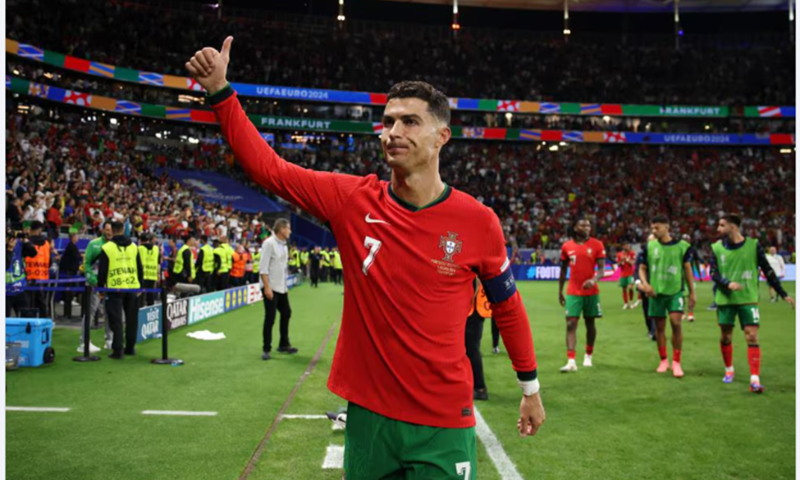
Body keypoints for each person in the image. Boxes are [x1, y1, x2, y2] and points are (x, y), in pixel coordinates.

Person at [187, 40, 543, 478]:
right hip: (369, 417)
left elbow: (507, 305)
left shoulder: (478, 221)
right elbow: (270, 169)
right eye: (388, 121)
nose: (393, 131)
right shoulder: (352, 200)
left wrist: (530, 387)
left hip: (443, 420)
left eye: (410, 121)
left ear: (441, 137)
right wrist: (220, 91)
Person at [709, 214, 795, 393]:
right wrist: (727, 283)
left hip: (748, 299)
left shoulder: (753, 245)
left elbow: (767, 270)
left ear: (733, 227)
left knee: (752, 335)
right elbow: (713, 273)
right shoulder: (716, 247)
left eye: (722, 225)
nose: (718, 229)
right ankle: (729, 369)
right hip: (725, 300)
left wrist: (782, 293)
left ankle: (755, 379)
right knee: (726, 336)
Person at [638, 216, 696, 378]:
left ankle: (676, 362)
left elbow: (687, 270)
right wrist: (645, 284)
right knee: (659, 328)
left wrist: (692, 293)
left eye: (657, 228)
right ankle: (663, 360)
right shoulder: (650, 246)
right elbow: (642, 268)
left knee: (676, 323)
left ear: (667, 228)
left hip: (675, 292)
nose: (653, 231)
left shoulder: (682, 246)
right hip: (655, 293)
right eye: (652, 228)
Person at [558, 217, 606, 372]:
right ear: (575, 227)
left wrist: (594, 280)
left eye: (588, 225)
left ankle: (588, 355)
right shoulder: (567, 246)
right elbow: (563, 270)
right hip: (573, 291)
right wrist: (560, 291)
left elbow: (602, 270)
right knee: (570, 324)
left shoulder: (597, 245)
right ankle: (571, 361)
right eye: (583, 225)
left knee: (590, 323)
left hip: (591, 292)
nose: (587, 228)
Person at [97, 221, 143, 359]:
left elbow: (102, 270)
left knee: (116, 320)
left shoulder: (107, 247)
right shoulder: (134, 247)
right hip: (132, 286)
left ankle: (118, 349)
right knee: (132, 319)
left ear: (112, 230)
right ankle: (130, 348)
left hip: (114, 288)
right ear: (123, 230)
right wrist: (140, 285)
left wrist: (101, 287)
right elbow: (139, 268)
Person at [259, 218, 296, 360]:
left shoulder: (284, 245)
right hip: (271, 287)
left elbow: (282, 268)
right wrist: (267, 288)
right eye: (288, 228)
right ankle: (266, 349)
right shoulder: (269, 243)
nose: (290, 231)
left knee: (286, 312)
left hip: (281, 288)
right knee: (270, 318)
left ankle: (283, 344)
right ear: (281, 229)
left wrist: (285, 287)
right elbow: (263, 268)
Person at [82, 221, 113, 352]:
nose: (109, 232)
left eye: (111, 230)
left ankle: (109, 341)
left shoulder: (114, 245)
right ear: (102, 230)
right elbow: (86, 264)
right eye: (107, 230)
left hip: (109, 285)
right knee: (90, 312)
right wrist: (93, 281)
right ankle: (84, 342)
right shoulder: (93, 244)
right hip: (94, 285)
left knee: (109, 312)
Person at [465, 279, 492, 400]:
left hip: (473, 309)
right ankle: (475, 386)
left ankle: (480, 388)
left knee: (471, 349)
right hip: (475, 308)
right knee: (470, 348)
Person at [24, 220, 53, 318]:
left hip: (27, 276)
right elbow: (50, 261)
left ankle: (28, 322)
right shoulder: (46, 243)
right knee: (41, 302)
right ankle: (44, 321)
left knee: (28, 303)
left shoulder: (26, 241)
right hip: (41, 276)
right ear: (40, 229)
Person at [635, 234, 657, 340]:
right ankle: (650, 329)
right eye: (650, 241)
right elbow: (637, 270)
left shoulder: (662, 253)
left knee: (656, 308)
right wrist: (638, 282)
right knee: (646, 308)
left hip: (657, 285)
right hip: (644, 285)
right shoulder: (642, 254)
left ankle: (655, 331)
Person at [6, 232, 33, 317]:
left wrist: (26, 241)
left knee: (25, 318)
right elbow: (6, 265)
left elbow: (33, 253)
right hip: (5, 292)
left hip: (19, 289)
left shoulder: (18, 245)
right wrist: (9, 249)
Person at [59, 233, 82, 320]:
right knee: (68, 292)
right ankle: (67, 313)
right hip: (69, 272)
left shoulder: (72, 246)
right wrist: (81, 256)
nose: (78, 238)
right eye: (76, 236)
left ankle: (68, 313)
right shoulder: (71, 246)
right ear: (73, 238)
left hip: (71, 271)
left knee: (69, 292)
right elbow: (76, 256)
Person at [138, 233, 161, 307]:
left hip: (142, 276)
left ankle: (141, 311)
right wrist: (158, 274)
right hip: (152, 275)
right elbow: (158, 263)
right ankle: (151, 311)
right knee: (150, 296)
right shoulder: (156, 248)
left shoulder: (139, 249)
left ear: (140, 240)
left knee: (141, 296)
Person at [616, 243, 637, 309]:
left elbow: (632, 263)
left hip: (630, 274)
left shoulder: (632, 253)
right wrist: (622, 260)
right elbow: (618, 265)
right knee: (624, 289)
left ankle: (631, 302)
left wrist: (627, 260)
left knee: (630, 287)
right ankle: (625, 303)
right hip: (623, 274)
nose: (627, 247)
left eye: (628, 246)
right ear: (623, 246)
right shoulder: (619, 254)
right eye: (626, 246)